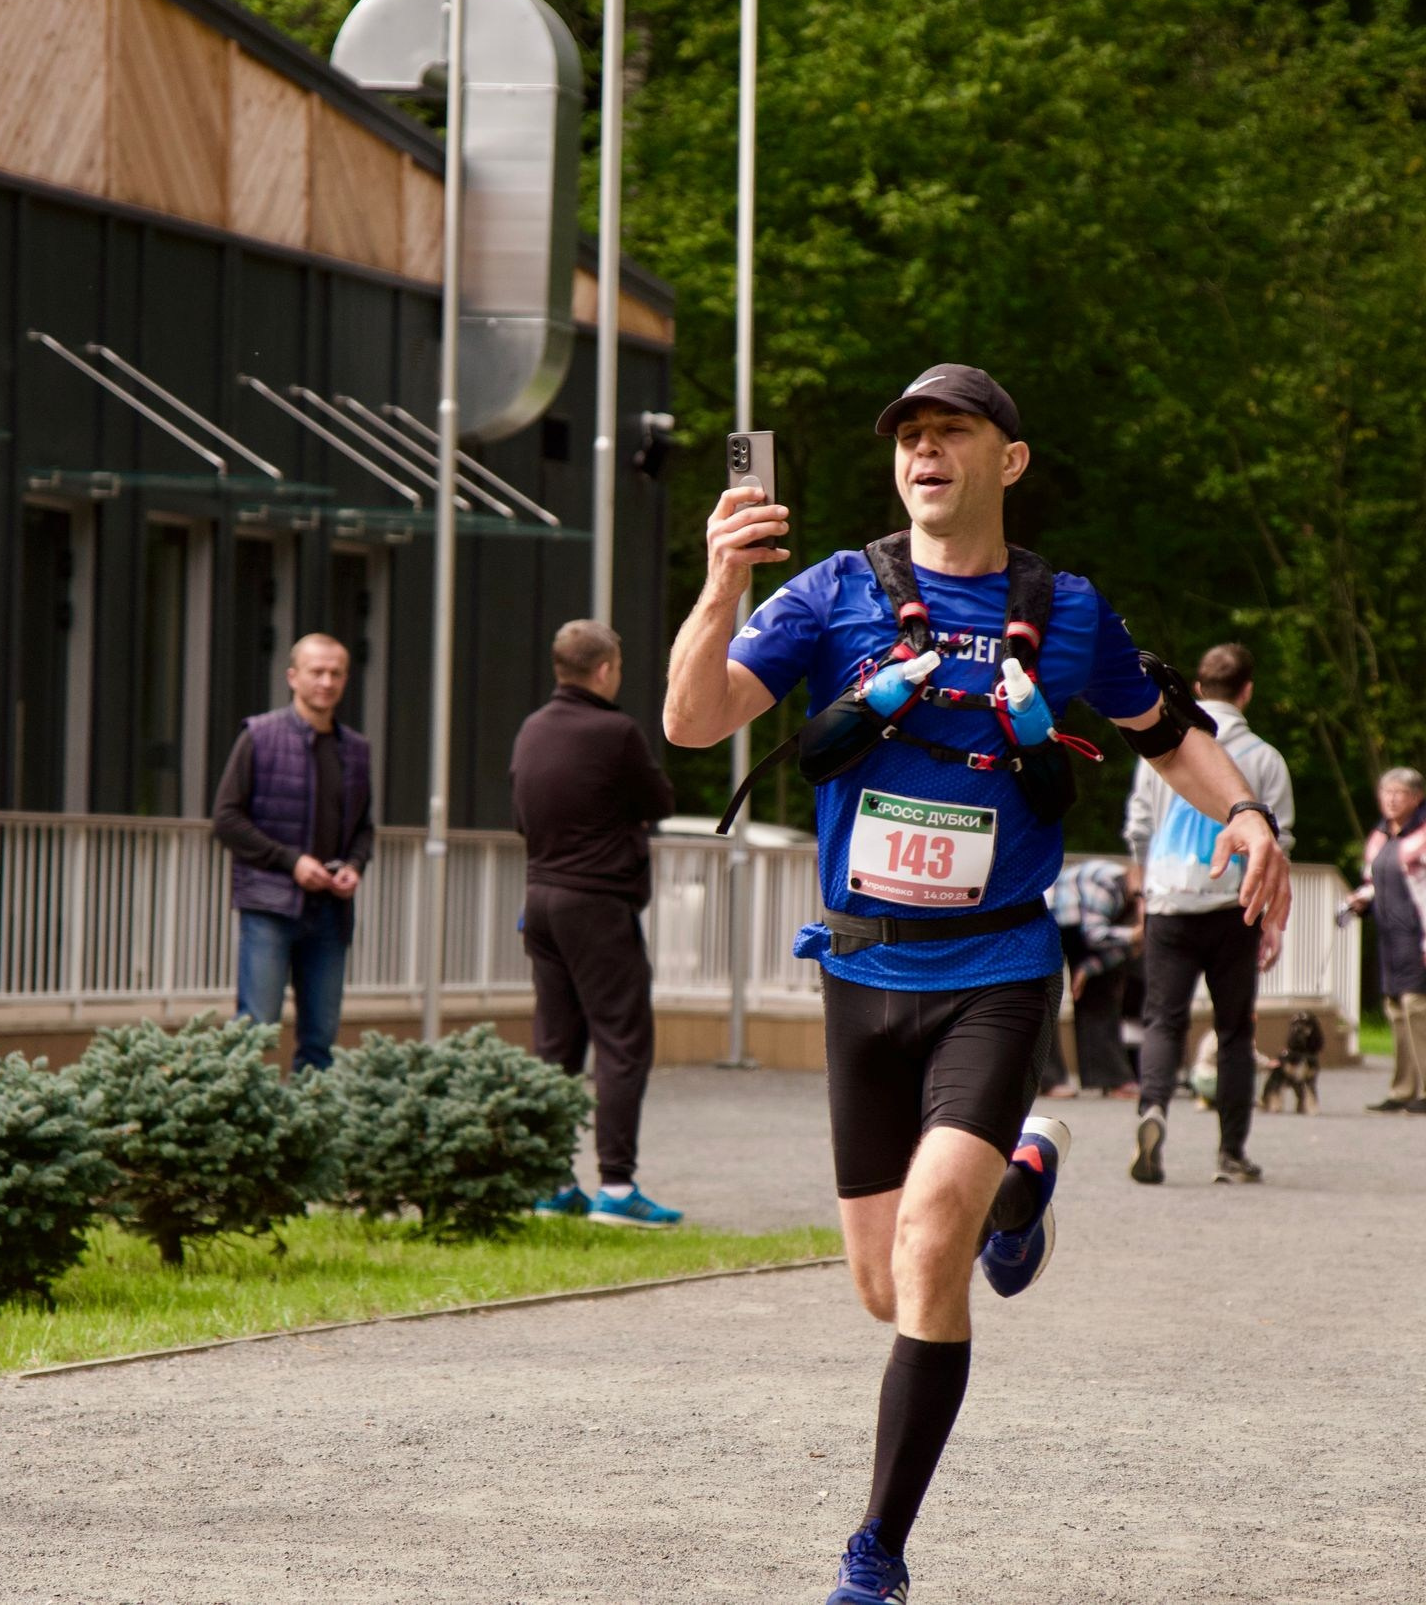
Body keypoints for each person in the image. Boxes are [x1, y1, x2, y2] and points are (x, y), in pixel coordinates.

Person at [663, 364, 1290, 1605]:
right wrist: (720, 584)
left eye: (952, 432)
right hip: (861, 965)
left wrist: (1248, 816)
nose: (925, 450)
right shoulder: (834, 590)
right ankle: (1021, 1185)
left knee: (928, 1236)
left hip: (998, 964)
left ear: (1008, 460)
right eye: (910, 435)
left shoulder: (1066, 609)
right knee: (887, 1285)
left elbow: (1169, 733)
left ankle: (875, 1555)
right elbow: (692, 720)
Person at [509, 620, 683, 1229]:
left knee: (555, 1044)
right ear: (605, 669)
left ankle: (550, 1181)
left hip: (541, 900)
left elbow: (521, 817)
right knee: (621, 1041)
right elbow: (660, 802)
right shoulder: (615, 733)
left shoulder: (531, 730)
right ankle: (616, 1186)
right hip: (598, 905)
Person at [1123, 643, 1296, 1186]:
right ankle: (1231, 1153)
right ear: (1247, 692)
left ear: (1197, 689)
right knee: (1234, 1031)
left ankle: (1153, 1107)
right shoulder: (1265, 758)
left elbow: (1139, 828)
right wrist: (1272, 918)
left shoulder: (1160, 747)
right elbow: (1278, 842)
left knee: (1163, 1019)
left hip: (1170, 900)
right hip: (1234, 906)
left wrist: (1145, 897)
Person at [211, 633, 374, 1074]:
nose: (327, 681)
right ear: (292, 677)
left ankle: (313, 1115)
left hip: (330, 911)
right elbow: (226, 820)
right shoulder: (259, 736)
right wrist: (291, 861)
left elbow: (364, 828)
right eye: (316, 671)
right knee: (255, 1030)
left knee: (321, 1039)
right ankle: (244, 1116)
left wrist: (354, 866)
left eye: (336, 673)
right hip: (269, 905)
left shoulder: (356, 750)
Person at [1346, 766, 1426, 1114]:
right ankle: (1402, 1090)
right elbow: (1373, 881)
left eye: (1400, 793)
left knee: (1419, 1008)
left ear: (1417, 797)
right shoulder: (1381, 834)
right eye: (1387, 792)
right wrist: (1360, 899)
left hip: (1422, 935)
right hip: (1391, 938)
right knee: (1396, 1010)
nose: (1392, 799)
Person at [1044, 857, 1139, 1098]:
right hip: (1052, 920)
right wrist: (1134, 934)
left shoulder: (1143, 901)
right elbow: (1095, 933)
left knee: (1102, 994)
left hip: (1087, 931)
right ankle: (1048, 1080)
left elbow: (1121, 950)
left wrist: (1089, 968)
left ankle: (1111, 1078)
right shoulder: (1107, 881)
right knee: (1044, 999)